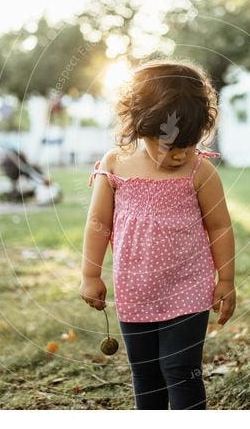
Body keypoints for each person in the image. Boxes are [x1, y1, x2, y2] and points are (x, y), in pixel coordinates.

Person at [79, 59, 236, 410]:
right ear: (139, 126)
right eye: (168, 145)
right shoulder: (115, 165)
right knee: (146, 373)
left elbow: (220, 225)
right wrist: (91, 274)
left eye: (188, 143)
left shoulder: (200, 170)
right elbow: (97, 222)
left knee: (181, 369)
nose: (180, 154)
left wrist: (226, 279)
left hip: (189, 287)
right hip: (135, 289)